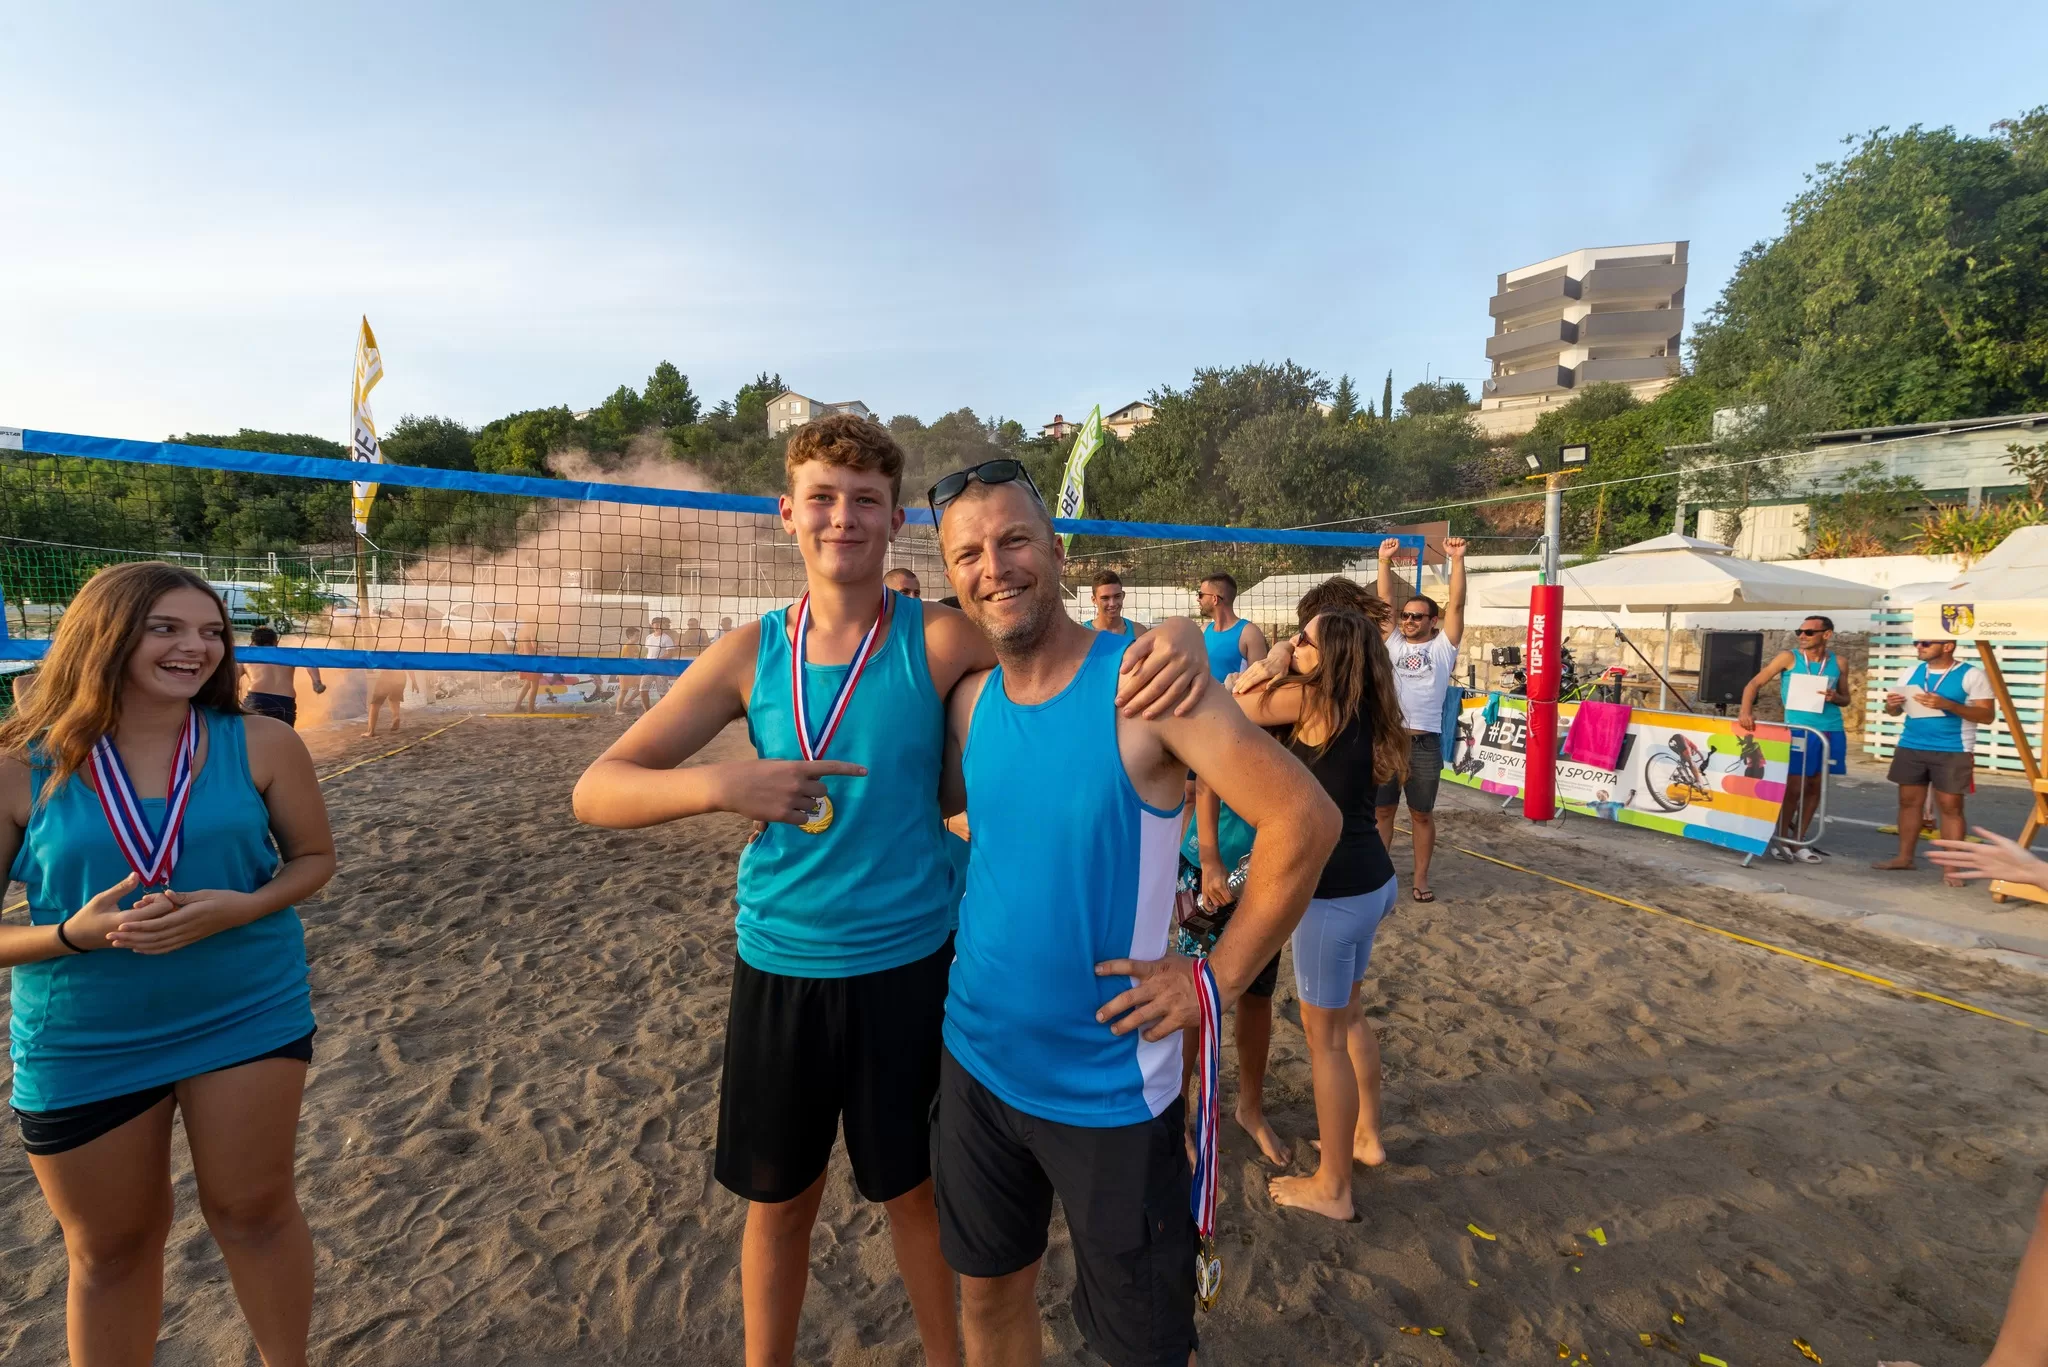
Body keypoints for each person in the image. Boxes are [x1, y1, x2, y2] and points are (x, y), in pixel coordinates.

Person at [572, 416, 1210, 1367]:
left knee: (918, 1198)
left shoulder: (942, 637)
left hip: (912, 967)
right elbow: (596, 789)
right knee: (779, 1203)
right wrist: (725, 784)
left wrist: (1182, 636)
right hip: (781, 964)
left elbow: (1059, 654)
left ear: (896, 520)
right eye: (823, 498)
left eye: (866, 500)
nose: (844, 517)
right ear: (786, 513)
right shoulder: (749, 654)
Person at [931, 466, 1338, 1367]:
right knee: (988, 1296)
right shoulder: (969, 702)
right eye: (969, 553)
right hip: (976, 1061)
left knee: (1144, 1347)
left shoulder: (1141, 686)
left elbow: (1306, 821)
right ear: (951, 576)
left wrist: (1214, 980)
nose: (994, 567)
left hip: (1110, 1091)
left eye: (1014, 540)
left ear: (1058, 553)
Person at [0, 561, 335, 1367]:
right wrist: (71, 935)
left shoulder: (262, 741)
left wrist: (240, 906)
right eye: (168, 628)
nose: (198, 647)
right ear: (105, 635)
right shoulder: (19, 762)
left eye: (212, 631)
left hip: (245, 1008)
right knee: (111, 1249)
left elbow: (314, 859)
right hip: (85, 1034)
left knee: (254, 1212)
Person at [1230, 610, 1407, 1221]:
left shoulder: (1309, 700)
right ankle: (1367, 1136)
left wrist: (1273, 658)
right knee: (1350, 1016)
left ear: (1331, 656)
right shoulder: (1363, 705)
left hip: (1333, 896)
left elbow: (1233, 710)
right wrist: (1290, 653)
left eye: (1304, 639)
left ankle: (1333, 1188)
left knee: (1324, 1039)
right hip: (1373, 881)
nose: (1294, 643)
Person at [1373, 536, 1468, 903]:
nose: (1409, 620)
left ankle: (1421, 879)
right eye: (1406, 615)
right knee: (1382, 811)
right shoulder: (1393, 642)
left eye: (1417, 616)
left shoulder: (1443, 647)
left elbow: (1457, 603)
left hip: (1424, 742)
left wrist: (1456, 560)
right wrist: (1384, 561)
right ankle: (1378, 876)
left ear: (1433, 621)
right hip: (1388, 740)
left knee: (1421, 815)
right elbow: (1384, 603)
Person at [1873, 637, 1995, 884]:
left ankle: (1952, 869)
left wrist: (1949, 705)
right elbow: (1893, 712)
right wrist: (1892, 705)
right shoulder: (1911, 672)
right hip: (1911, 744)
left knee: (1950, 807)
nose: (1919, 647)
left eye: (1926, 643)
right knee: (1908, 803)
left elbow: (1987, 715)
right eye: (1917, 642)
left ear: (1948, 646)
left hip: (1953, 748)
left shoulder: (1972, 675)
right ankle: (1904, 858)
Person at [1737, 615, 1849, 862]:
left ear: (1827, 635)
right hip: (1799, 730)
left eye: (1809, 632)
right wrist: (1745, 711)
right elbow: (1754, 684)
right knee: (1794, 787)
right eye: (1800, 631)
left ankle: (1799, 840)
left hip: (1830, 729)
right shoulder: (1789, 658)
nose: (1802, 636)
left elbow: (1846, 699)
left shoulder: (1839, 662)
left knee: (1815, 786)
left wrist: (1835, 697)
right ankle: (1781, 839)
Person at [240, 626, 325, 728]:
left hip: (257, 699)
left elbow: (232, 679)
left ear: (252, 643)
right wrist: (316, 682)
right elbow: (308, 662)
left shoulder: (246, 656)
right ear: (276, 642)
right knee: (282, 736)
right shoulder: (288, 654)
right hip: (285, 702)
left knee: (250, 735)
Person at [1196, 571, 1267, 682]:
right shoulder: (1203, 630)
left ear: (1214, 599)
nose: (1198, 599)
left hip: (1235, 694)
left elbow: (1261, 681)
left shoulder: (1249, 633)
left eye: (1201, 595)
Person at [1085, 569, 1147, 638]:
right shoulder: (1082, 634)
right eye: (1105, 598)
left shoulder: (1139, 632)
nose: (1112, 604)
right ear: (1094, 600)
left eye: (1117, 596)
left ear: (1123, 595)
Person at [365, 669, 415, 736]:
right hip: (401, 676)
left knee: (375, 703)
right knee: (394, 699)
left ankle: (370, 731)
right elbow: (409, 666)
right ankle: (396, 716)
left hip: (387, 674)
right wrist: (414, 681)